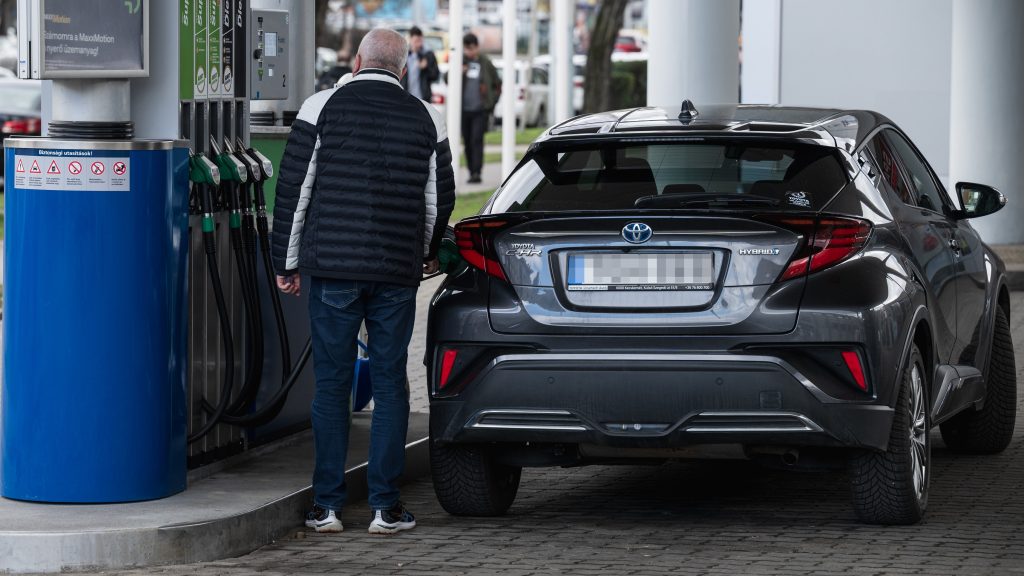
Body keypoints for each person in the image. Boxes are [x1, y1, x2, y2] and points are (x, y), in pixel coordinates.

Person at [271, 28, 455, 535]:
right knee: (391, 383)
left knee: (332, 384)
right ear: (403, 69)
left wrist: (286, 262)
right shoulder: (427, 116)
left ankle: (327, 507)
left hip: (333, 269)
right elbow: (438, 198)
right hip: (395, 272)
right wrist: (423, 254)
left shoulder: (320, 107)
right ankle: (385, 508)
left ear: (356, 61)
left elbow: (294, 190)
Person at [460, 32, 501, 184]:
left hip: (480, 110)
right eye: (466, 48)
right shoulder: (460, 61)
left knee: (477, 140)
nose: (469, 52)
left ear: (477, 47)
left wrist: (491, 102)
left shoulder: (485, 62)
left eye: (471, 48)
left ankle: (477, 172)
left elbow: (497, 84)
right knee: (467, 142)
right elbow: (447, 79)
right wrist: (460, 72)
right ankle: (471, 171)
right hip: (464, 110)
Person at [400, 26, 439, 101]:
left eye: (421, 41)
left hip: (422, 99)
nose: (419, 44)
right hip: (405, 98)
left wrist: (426, 68)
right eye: (416, 41)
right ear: (410, 39)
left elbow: (435, 76)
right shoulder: (403, 56)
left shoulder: (428, 55)